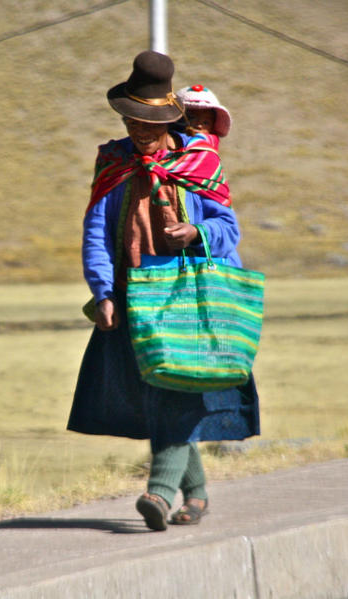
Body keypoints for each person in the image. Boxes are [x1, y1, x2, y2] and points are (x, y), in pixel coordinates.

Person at [67, 51, 259, 531]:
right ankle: (195, 494)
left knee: (173, 394)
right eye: (132, 118)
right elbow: (95, 232)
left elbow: (227, 229)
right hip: (135, 297)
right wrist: (104, 291)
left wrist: (196, 232)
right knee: (157, 393)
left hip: (189, 299)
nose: (138, 128)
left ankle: (159, 492)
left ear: (169, 118)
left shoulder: (199, 161)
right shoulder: (113, 162)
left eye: (148, 121)